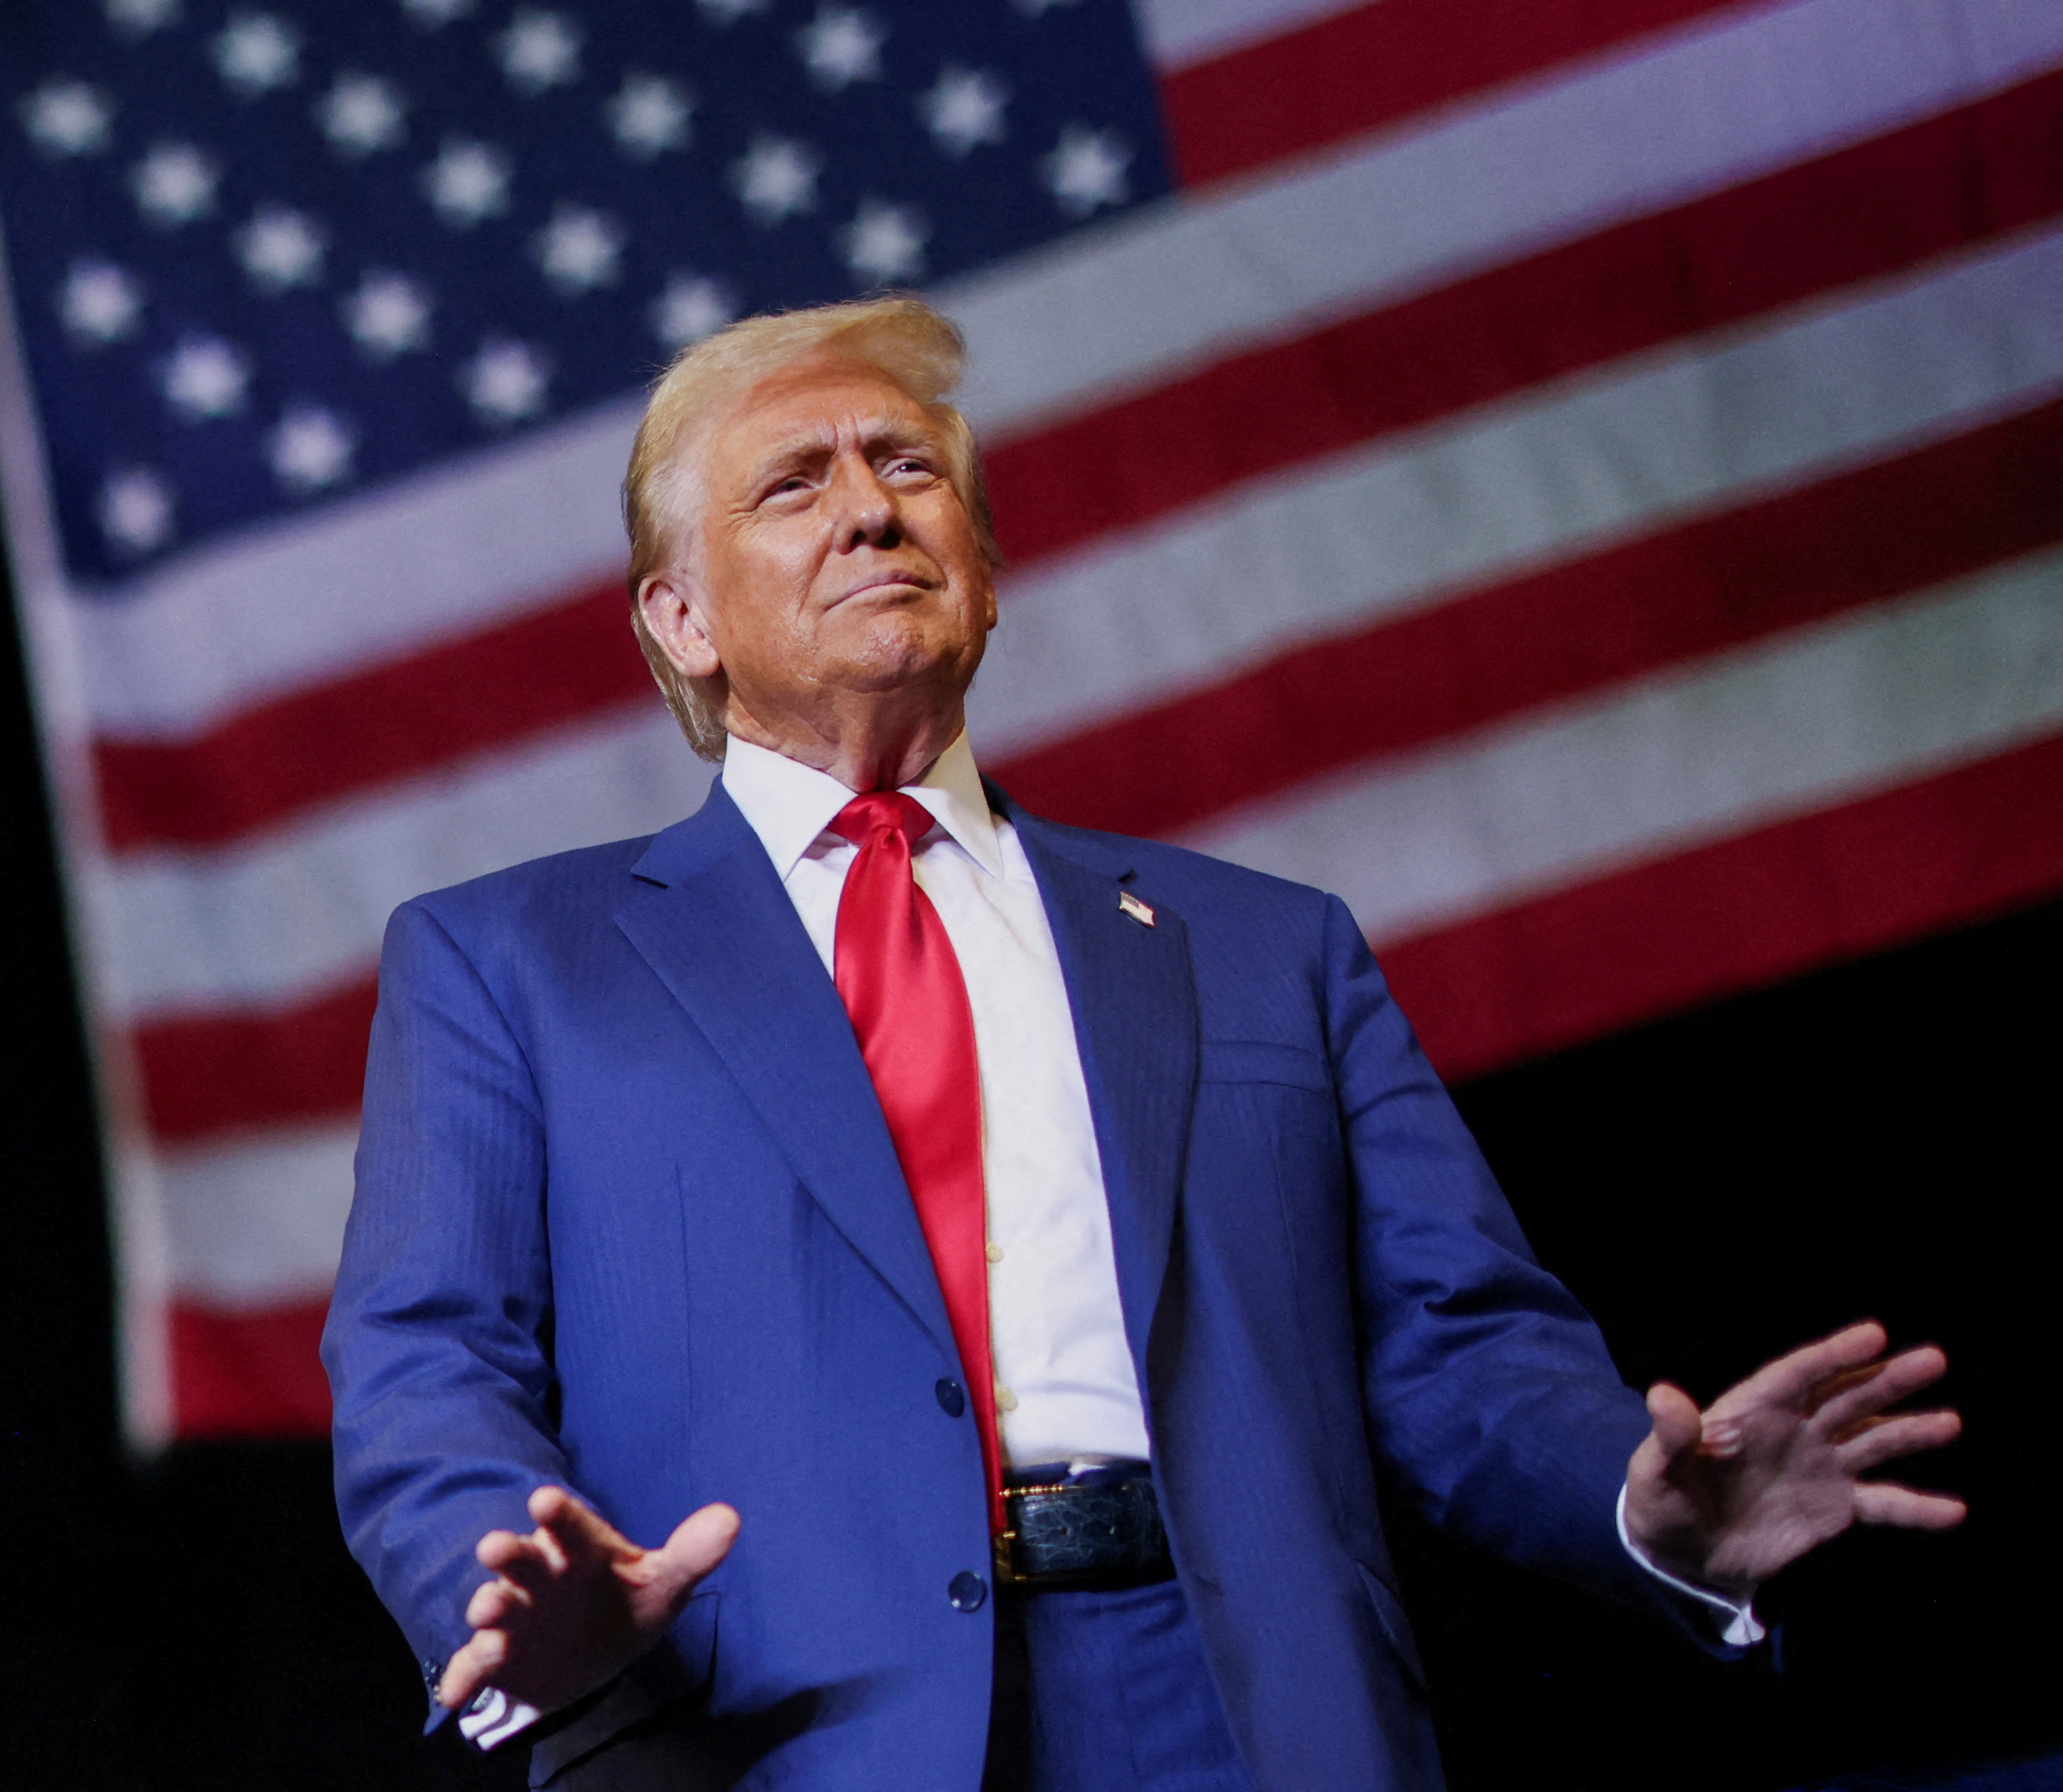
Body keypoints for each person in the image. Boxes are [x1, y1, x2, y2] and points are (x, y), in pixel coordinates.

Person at [320, 296, 1962, 1791]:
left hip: (1248, 1719)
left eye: (906, 468)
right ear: (680, 619)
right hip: (767, 1736)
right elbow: (422, 1366)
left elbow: (1456, 1343)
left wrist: (1636, 1502)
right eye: (793, 485)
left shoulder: (1267, 947)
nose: (872, 507)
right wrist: (504, 1585)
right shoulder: (507, 962)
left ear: (979, 561)